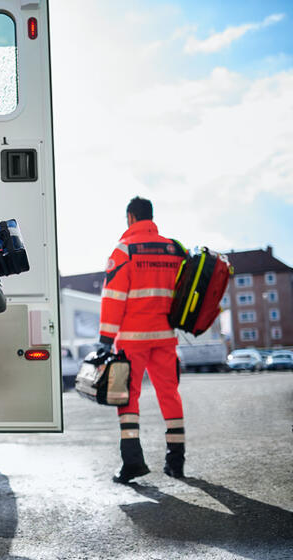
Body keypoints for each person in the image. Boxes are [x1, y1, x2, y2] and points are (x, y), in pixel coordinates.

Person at [98, 197, 188, 483]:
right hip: (165, 337)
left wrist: (105, 338)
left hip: (132, 339)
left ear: (131, 217)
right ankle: (176, 462)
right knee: (170, 395)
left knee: (128, 397)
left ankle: (133, 463)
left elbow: (114, 298)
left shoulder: (124, 251)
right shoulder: (175, 250)